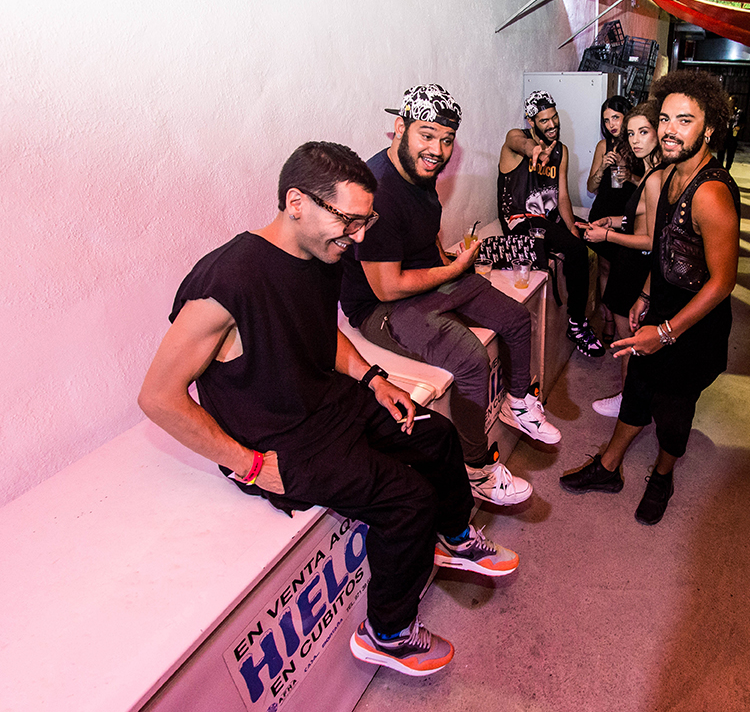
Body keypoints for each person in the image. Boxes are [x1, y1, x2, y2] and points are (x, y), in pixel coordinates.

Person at [138, 141, 519, 677]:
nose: (359, 236)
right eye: (349, 221)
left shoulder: (323, 252)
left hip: (324, 401)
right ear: (297, 202)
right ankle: (387, 635)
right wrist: (248, 464)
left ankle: (454, 537)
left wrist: (374, 378)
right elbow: (157, 396)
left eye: (367, 221)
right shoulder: (228, 281)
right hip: (277, 440)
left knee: (435, 434)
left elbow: (322, 329)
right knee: (408, 501)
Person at [341, 84, 559, 511]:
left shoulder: (419, 172)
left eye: (446, 139)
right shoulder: (379, 190)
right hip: (382, 306)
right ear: (399, 129)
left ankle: (517, 401)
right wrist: (455, 271)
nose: (437, 149)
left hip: (428, 277)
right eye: (427, 135)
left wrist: (449, 263)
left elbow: (425, 230)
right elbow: (386, 286)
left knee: (516, 319)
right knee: (471, 359)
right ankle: (476, 469)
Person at [560, 70, 741, 526]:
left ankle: (662, 476)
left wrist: (665, 332)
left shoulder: (711, 192)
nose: (669, 130)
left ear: (709, 127)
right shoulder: (669, 174)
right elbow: (661, 244)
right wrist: (645, 293)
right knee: (638, 388)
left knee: (674, 412)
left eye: (685, 120)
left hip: (694, 326)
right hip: (661, 306)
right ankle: (608, 467)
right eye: (664, 119)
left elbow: (722, 283)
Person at [498, 90, 604, 358]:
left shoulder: (561, 151)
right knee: (576, 250)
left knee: (590, 234)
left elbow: (563, 195)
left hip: (548, 215)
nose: (553, 124)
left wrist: (572, 228)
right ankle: (576, 322)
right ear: (531, 121)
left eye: (554, 117)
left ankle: (607, 308)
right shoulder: (514, 140)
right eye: (544, 120)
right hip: (521, 219)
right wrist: (534, 150)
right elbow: (518, 142)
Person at [578, 99, 663, 418]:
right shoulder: (655, 170)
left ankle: (628, 401)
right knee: (629, 329)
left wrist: (608, 234)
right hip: (626, 241)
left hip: (638, 258)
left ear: (658, 131)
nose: (635, 139)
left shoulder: (655, 175)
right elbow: (641, 211)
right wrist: (613, 221)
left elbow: (652, 236)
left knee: (631, 334)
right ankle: (630, 396)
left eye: (643, 131)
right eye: (631, 133)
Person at [586, 95, 635, 345]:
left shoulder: (638, 145)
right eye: (606, 120)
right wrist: (602, 168)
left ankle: (626, 320)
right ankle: (608, 319)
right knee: (605, 269)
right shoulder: (602, 146)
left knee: (625, 271)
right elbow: (591, 187)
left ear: (626, 116)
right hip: (603, 212)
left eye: (616, 117)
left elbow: (651, 187)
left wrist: (630, 175)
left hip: (628, 218)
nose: (611, 124)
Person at [723, 106, 742, 171]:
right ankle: (720, 168)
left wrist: (739, 127)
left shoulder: (738, 113)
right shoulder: (724, 111)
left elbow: (743, 123)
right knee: (720, 153)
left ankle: (727, 168)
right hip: (724, 135)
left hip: (732, 136)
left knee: (730, 154)